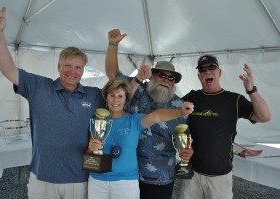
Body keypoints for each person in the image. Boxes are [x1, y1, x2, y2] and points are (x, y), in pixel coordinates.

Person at [0, 7, 105, 199]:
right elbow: (8, 68)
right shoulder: (39, 86)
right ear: (58, 66)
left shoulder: (94, 95)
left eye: (77, 67)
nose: (72, 71)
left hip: (79, 180)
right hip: (41, 179)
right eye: (67, 65)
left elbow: (120, 96)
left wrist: (139, 79)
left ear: (83, 71)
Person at [105, 29, 193, 199]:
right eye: (162, 75)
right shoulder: (136, 89)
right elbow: (112, 73)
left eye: (171, 78)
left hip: (159, 179)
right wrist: (113, 44)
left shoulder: (180, 106)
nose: (166, 80)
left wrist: (188, 151)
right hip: (126, 173)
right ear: (152, 76)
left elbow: (185, 139)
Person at [180, 54, 272, 199]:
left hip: (220, 176)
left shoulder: (234, 100)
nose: (208, 71)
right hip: (193, 173)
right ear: (199, 76)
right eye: (203, 69)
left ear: (219, 72)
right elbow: (173, 120)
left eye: (212, 67)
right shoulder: (191, 97)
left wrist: (251, 90)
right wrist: (183, 145)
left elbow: (264, 117)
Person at [86, 77, 194, 199]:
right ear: (106, 97)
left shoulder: (134, 120)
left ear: (126, 98)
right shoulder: (97, 120)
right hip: (97, 180)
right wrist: (91, 148)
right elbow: (89, 152)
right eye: (112, 95)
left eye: (120, 96)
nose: (116, 100)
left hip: (126, 183)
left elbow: (157, 116)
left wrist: (180, 113)